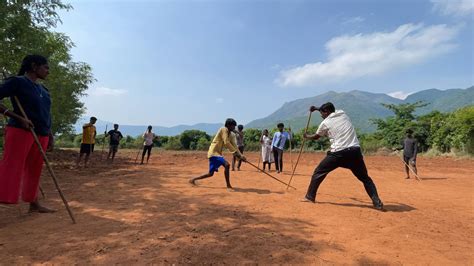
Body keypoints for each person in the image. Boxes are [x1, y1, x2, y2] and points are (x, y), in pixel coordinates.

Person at [301, 102, 384, 211]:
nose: (321, 116)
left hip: (338, 153)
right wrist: (316, 109)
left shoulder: (325, 123)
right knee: (365, 178)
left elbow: (316, 137)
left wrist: (307, 136)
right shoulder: (343, 114)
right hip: (355, 152)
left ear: (326, 112)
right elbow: (329, 110)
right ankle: (377, 202)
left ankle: (310, 196)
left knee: (319, 172)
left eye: (322, 113)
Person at [0, 54, 55, 212]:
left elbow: (45, 113)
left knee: (35, 168)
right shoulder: (17, 82)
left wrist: (50, 134)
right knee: (12, 166)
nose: (48, 71)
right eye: (46, 67)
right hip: (21, 130)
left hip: (42, 133)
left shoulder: (43, 90)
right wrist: (16, 117)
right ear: (34, 66)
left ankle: (34, 203)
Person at [189, 118, 246, 189]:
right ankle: (228, 185)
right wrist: (235, 153)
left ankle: (193, 179)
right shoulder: (223, 129)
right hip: (213, 152)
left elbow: (234, 145)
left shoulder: (231, 134)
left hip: (218, 154)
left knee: (210, 174)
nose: (234, 128)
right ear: (228, 125)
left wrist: (241, 155)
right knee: (227, 165)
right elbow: (226, 142)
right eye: (233, 126)